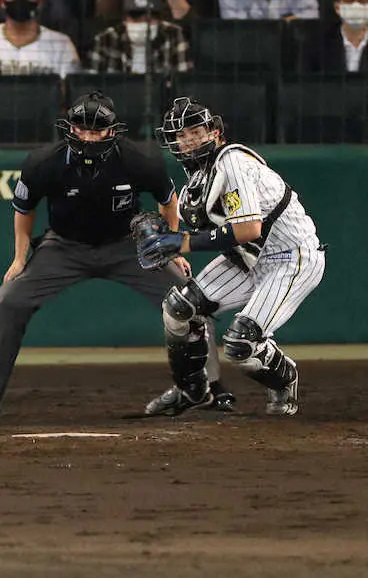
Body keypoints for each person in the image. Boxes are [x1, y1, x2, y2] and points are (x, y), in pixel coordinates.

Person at [0, 91, 232, 417]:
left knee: (190, 299)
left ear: (111, 130)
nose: (89, 137)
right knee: (8, 300)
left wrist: (172, 246)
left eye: (97, 130)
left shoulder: (137, 159)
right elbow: (24, 210)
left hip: (127, 245)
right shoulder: (42, 162)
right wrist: (20, 258)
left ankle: (212, 386)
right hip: (63, 246)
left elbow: (168, 200)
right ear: (70, 128)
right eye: (82, 129)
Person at [136, 97, 326, 417]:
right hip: (247, 259)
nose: (187, 140)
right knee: (179, 309)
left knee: (241, 345)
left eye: (194, 131)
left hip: (291, 257)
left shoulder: (232, 161)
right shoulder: (197, 179)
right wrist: (160, 237)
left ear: (214, 132)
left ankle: (284, 380)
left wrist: (181, 242)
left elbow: (248, 229)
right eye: (180, 135)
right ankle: (193, 391)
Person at [88, 0, 193, 74]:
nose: (142, 23)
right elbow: (91, 88)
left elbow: (184, 86)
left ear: (159, 20)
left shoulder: (174, 35)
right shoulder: (106, 39)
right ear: (125, 19)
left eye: (148, 19)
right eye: (135, 18)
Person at [303, 0, 368, 73]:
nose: (356, 5)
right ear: (337, 7)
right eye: (349, 0)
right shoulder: (317, 45)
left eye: (362, 0)